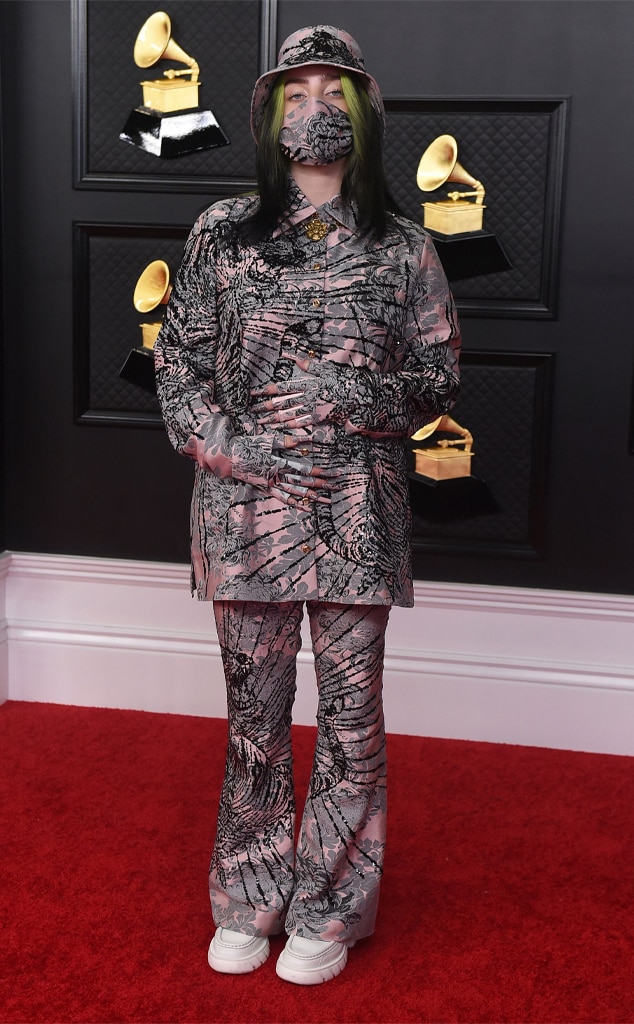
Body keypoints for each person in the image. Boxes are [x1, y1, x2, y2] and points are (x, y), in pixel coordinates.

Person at [154, 25, 461, 986]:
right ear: (268, 114)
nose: (315, 108)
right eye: (296, 93)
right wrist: (236, 447)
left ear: (364, 112)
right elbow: (177, 369)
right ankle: (248, 897)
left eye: (334, 92)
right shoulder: (220, 232)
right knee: (255, 718)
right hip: (244, 516)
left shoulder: (405, 247)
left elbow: (439, 377)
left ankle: (328, 907)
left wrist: (350, 395)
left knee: (351, 719)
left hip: (358, 515)